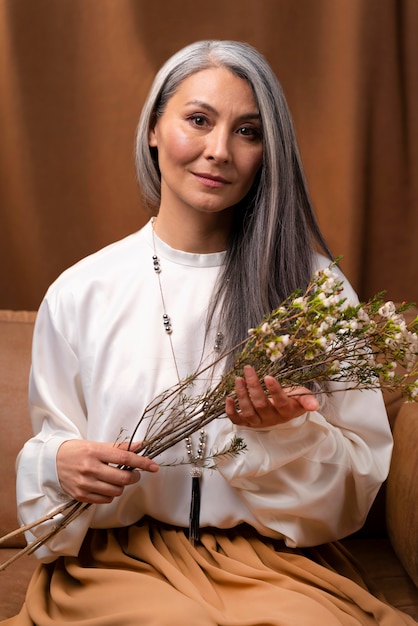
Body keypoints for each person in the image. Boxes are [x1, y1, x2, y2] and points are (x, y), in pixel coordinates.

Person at [4, 40, 415, 625]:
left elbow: (357, 481)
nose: (219, 151)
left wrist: (287, 434)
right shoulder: (81, 291)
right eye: (198, 120)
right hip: (119, 564)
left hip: (274, 564)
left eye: (249, 132)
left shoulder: (316, 293)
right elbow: (56, 456)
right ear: (153, 129)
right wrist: (61, 463)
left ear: (268, 152)